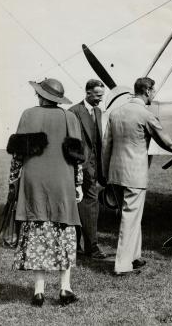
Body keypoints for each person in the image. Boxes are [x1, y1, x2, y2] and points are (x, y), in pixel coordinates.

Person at [102, 77, 172, 275]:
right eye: (154, 91)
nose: (154, 94)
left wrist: (106, 173)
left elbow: (106, 146)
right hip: (135, 176)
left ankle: (134, 257)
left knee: (132, 217)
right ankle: (122, 266)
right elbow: (168, 143)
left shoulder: (115, 113)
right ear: (148, 91)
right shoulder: (146, 115)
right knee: (129, 219)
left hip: (115, 175)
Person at [7, 78, 84, 306]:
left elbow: (17, 156)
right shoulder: (70, 117)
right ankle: (65, 289)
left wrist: (13, 181)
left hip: (34, 182)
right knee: (64, 233)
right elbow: (77, 158)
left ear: (41, 96)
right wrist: (78, 183)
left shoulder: (28, 115)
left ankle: (38, 291)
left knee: (37, 232)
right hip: (62, 182)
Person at [69, 79, 107, 259]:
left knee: (88, 206)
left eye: (102, 95)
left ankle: (85, 247)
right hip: (79, 168)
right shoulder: (73, 112)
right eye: (98, 95)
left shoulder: (98, 112)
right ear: (88, 92)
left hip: (93, 168)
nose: (101, 99)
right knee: (83, 206)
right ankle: (84, 247)